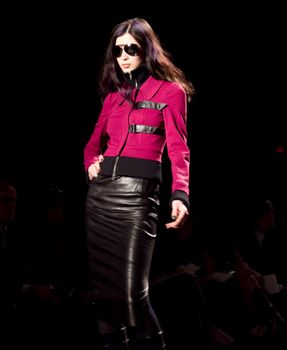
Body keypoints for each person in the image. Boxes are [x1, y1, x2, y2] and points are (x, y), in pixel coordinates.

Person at [84, 17, 193, 349]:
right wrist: (91, 164)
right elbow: (91, 146)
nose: (124, 56)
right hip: (101, 198)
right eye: (118, 51)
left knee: (132, 291)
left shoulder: (170, 93)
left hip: (138, 198)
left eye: (131, 48)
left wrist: (181, 194)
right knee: (106, 296)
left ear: (147, 50)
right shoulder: (113, 98)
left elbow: (179, 148)